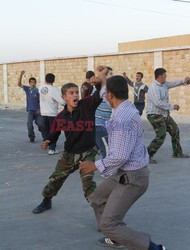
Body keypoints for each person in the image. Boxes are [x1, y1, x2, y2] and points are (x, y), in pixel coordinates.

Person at [80, 75, 167, 250]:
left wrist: (94, 165)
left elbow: (120, 156)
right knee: (98, 198)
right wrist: (101, 80)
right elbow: (105, 88)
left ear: (111, 95)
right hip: (125, 172)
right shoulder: (126, 106)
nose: (104, 96)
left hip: (133, 177)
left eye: (106, 94)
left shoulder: (122, 119)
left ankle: (153, 248)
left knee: (108, 224)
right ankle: (116, 236)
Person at [32, 66, 108, 214]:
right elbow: (55, 132)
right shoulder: (61, 116)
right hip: (69, 154)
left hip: (88, 153)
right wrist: (47, 141)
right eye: (71, 93)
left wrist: (98, 82)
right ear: (64, 97)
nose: (75, 95)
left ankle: (103, 216)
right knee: (55, 179)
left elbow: (98, 94)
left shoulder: (87, 105)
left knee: (88, 185)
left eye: (76, 93)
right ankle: (46, 200)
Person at [146, 68, 190, 164]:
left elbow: (174, 83)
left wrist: (184, 81)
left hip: (164, 114)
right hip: (154, 115)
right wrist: (172, 106)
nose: (166, 76)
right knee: (161, 135)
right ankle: (146, 156)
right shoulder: (153, 88)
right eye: (165, 75)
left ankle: (177, 153)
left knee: (175, 130)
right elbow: (158, 103)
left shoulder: (164, 84)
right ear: (159, 76)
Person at [39, 73, 65, 155]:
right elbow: (62, 102)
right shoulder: (54, 89)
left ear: (45, 79)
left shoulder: (40, 88)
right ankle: (52, 149)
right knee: (54, 131)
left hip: (43, 112)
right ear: (53, 80)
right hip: (52, 113)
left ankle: (46, 144)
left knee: (46, 130)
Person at [18, 70, 45, 143]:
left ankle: (45, 137)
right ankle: (32, 137)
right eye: (31, 82)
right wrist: (21, 74)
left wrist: (40, 109)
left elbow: (42, 101)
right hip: (30, 111)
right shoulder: (27, 89)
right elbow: (19, 84)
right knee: (29, 124)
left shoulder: (38, 90)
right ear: (29, 83)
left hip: (37, 111)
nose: (32, 84)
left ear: (35, 83)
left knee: (41, 124)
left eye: (34, 82)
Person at [95, 67, 113, 158]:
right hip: (99, 125)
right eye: (110, 73)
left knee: (93, 149)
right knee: (106, 150)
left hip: (104, 125)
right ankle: (107, 171)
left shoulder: (109, 90)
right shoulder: (100, 90)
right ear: (105, 76)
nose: (112, 75)